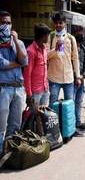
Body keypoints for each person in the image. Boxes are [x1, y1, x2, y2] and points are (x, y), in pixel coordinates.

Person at [0, 11, 28, 151]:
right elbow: (2, 64)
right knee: (1, 124)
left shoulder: (18, 43)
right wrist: (17, 64)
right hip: (3, 89)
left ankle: (10, 151)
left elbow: (24, 60)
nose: (6, 26)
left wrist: (15, 41)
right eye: (3, 23)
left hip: (18, 88)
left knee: (15, 123)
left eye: (8, 23)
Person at [47, 13, 81, 106]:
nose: (58, 25)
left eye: (60, 23)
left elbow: (75, 58)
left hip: (68, 78)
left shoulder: (71, 38)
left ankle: (67, 121)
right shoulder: (50, 36)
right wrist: (55, 49)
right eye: (56, 23)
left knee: (69, 105)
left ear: (65, 23)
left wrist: (77, 76)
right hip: (54, 77)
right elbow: (45, 56)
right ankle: (53, 121)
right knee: (52, 105)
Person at [24, 23, 51, 107]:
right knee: (33, 117)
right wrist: (29, 94)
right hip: (35, 91)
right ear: (43, 36)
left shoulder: (44, 48)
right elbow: (27, 74)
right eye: (47, 35)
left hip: (45, 89)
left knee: (43, 116)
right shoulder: (31, 51)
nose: (48, 37)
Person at [72, 26, 85, 133]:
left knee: (79, 102)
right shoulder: (70, 48)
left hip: (81, 79)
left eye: (82, 32)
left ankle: (78, 122)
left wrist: (83, 75)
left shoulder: (83, 48)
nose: (81, 34)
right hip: (72, 79)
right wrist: (76, 76)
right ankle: (72, 125)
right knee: (72, 102)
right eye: (78, 32)